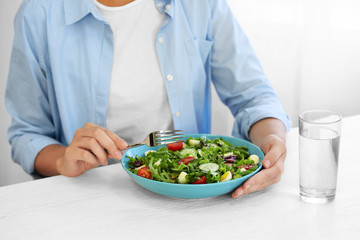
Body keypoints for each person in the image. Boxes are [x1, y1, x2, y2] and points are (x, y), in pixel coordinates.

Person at [5, 0, 290, 199]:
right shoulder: (40, 12)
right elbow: (27, 135)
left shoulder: (201, 4)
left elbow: (254, 96)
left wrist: (272, 140)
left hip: (189, 197)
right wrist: (63, 160)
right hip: (91, 197)